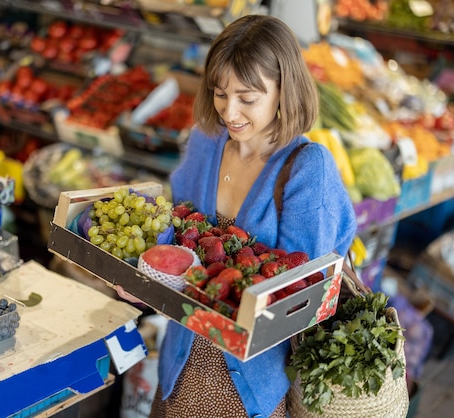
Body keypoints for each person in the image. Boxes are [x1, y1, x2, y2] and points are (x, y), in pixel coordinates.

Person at [118, 14, 357, 418]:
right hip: (180, 360)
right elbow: (176, 238)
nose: (230, 112)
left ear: (284, 90)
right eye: (219, 93)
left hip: (249, 383)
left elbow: (301, 296)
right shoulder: (205, 142)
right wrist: (146, 281)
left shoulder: (306, 167)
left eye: (248, 98)